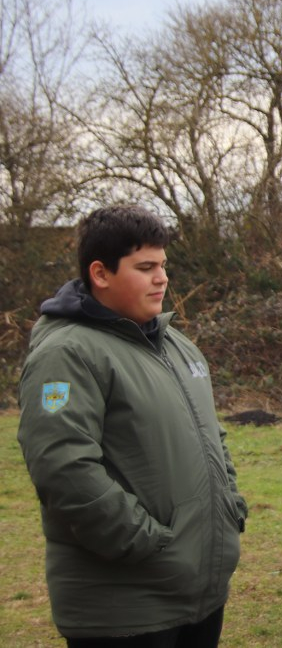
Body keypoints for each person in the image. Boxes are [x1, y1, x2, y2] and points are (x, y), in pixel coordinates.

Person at [18, 205, 247, 647]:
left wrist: (230, 506)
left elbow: (211, 435)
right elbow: (62, 467)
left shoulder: (175, 344)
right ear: (100, 273)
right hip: (125, 605)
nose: (162, 279)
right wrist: (145, 542)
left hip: (197, 595)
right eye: (145, 268)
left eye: (163, 265)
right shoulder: (67, 354)